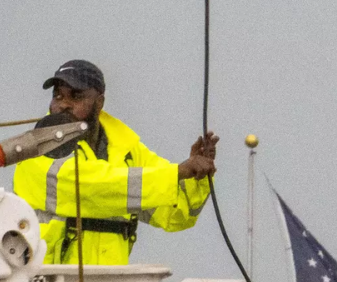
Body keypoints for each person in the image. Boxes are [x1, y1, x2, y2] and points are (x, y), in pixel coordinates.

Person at [13, 60, 218, 265]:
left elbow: (175, 215)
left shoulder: (127, 151)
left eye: (76, 96)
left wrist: (196, 178)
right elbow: (91, 188)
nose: (64, 104)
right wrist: (177, 172)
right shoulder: (38, 147)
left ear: (99, 102)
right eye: (58, 95)